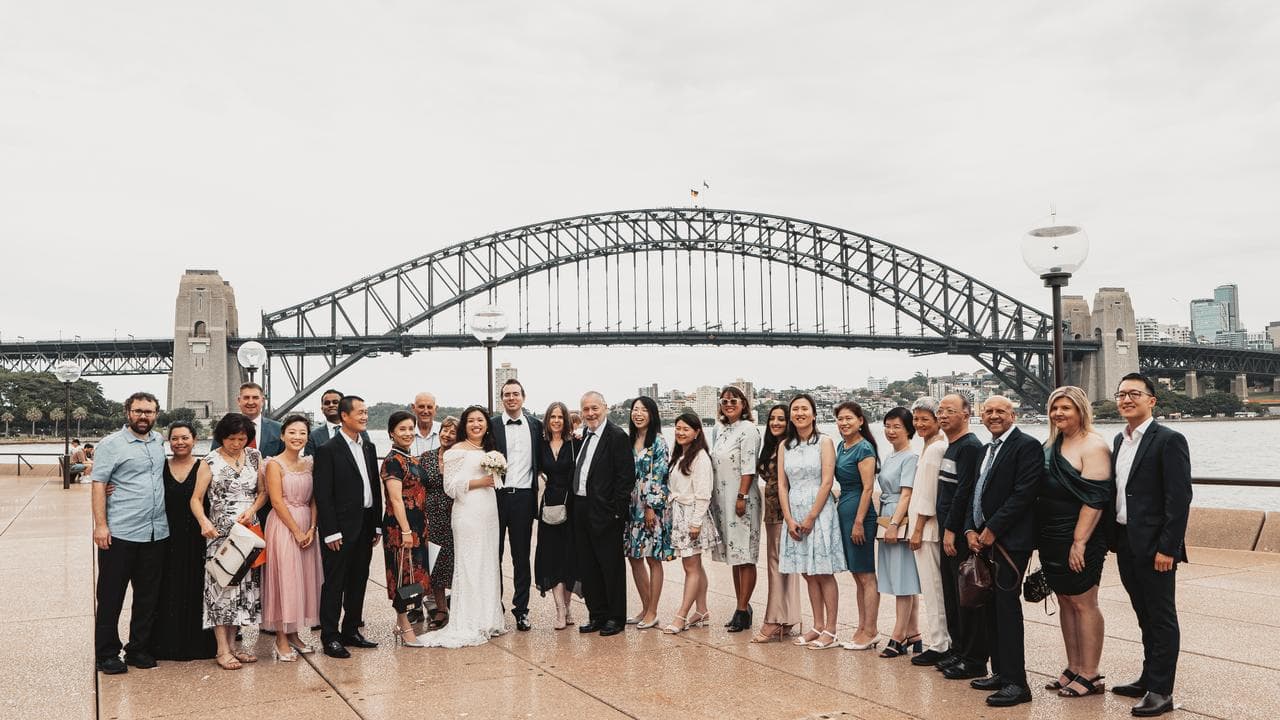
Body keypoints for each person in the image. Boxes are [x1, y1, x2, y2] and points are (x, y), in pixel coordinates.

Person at [1109, 373, 1191, 717]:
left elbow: (1179, 498)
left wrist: (1167, 549)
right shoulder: (1119, 440)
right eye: (1122, 394)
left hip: (1157, 547)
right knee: (1143, 614)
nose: (1127, 399)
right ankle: (1147, 676)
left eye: (1134, 394)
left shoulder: (1169, 439)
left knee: (1161, 617)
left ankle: (1161, 690)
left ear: (1151, 401)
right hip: (1126, 542)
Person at [957, 396, 1043, 707]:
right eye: (989, 411)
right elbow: (973, 494)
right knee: (990, 609)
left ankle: (1017, 683)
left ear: (1013, 414)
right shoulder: (985, 449)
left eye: (1000, 411)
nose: (994, 416)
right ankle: (1000, 672)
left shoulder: (1027, 446)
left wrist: (992, 529)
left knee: (1007, 610)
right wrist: (969, 529)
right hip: (982, 541)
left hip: (1009, 544)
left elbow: (1024, 493)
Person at [1036, 386, 1114, 698]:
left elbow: (1095, 500)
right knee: (1065, 600)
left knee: (1084, 602)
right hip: (1051, 535)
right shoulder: (1052, 442)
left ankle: (1091, 673)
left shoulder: (1093, 445)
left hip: (1080, 536)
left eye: (1066, 408)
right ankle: (1074, 666)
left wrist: (1079, 542)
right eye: (1055, 408)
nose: (1059, 414)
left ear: (1081, 410)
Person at [91, 392, 169, 674]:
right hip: (120, 532)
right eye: (138, 411)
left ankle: (138, 649)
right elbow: (99, 483)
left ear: (156, 414)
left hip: (155, 532)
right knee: (111, 596)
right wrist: (101, 525)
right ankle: (107, 654)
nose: (143, 417)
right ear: (128, 413)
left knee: (147, 596)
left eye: (149, 412)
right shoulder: (111, 444)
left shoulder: (160, 442)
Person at [422, 406, 506, 647]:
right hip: (467, 512)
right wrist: (482, 481)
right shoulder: (456, 450)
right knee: (469, 563)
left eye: (480, 420)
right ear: (464, 425)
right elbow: (450, 486)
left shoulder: (488, 450)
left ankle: (488, 619)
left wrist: (495, 474)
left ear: (487, 424)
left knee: (487, 563)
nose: (476, 424)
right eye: (471, 421)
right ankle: (469, 621)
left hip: (489, 511)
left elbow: (497, 482)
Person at [190, 412, 267, 671]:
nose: (236, 443)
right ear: (222, 437)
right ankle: (222, 649)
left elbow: (263, 492)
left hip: (248, 532)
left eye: (242, 438)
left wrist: (253, 508)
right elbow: (196, 499)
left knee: (243, 591)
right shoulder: (209, 461)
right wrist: (204, 522)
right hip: (220, 535)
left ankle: (234, 645)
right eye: (232, 438)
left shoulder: (255, 457)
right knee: (221, 590)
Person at [313, 395, 383, 659]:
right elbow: (323, 494)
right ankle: (330, 636)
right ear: (344, 416)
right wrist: (330, 531)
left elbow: (374, 487)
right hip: (339, 529)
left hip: (365, 524)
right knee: (335, 582)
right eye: (360, 413)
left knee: (358, 580)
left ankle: (351, 630)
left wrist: (376, 523)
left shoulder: (369, 446)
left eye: (366, 412)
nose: (365, 417)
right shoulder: (328, 450)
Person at [778, 394, 843, 650]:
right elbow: (783, 484)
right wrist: (789, 517)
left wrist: (811, 516)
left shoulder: (825, 442)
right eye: (795, 409)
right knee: (807, 571)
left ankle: (832, 628)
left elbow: (828, 481)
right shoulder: (785, 445)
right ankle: (816, 625)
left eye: (804, 409)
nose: (799, 413)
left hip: (819, 511)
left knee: (823, 572)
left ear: (814, 414)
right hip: (793, 509)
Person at [149, 421, 216, 661]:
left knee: (196, 586)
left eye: (185, 438)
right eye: (175, 438)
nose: (180, 442)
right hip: (166, 536)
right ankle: (165, 644)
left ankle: (198, 645)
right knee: (165, 587)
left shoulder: (204, 466)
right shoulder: (159, 466)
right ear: (169, 441)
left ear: (194, 440)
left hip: (196, 537)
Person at [937, 393, 992, 680]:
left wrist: (950, 529)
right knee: (952, 594)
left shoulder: (969, 447)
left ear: (966, 414)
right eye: (940, 410)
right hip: (947, 529)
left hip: (956, 533)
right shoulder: (952, 446)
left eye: (950, 410)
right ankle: (959, 650)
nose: (943, 415)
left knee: (967, 594)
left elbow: (964, 493)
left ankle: (974, 659)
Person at [260, 414, 322, 660]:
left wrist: (312, 528)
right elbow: (275, 501)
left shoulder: (309, 463)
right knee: (284, 580)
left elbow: (314, 499)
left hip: (307, 524)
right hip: (284, 527)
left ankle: (294, 633)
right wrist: (296, 531)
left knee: (302, 580)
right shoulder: (273, 464)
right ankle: (280, 638)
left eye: (302, 433)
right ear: (283, 435)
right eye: (293, 432)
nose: (297, 437)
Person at [573, 391, 633, 637]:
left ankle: (615, 617)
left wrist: (615, 512)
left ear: (605, 408)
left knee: (611, 567)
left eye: (594, 408)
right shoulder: (584, 435)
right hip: (581, 509)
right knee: (588, 567)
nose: (590, 413)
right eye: (586, 409)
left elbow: (625, 478)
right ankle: (596, 615)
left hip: (606, 512)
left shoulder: (616, 436)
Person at [490, 379, 543, 631]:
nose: (511, 398)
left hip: (523, 498)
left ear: (523, 396)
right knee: (494, 556)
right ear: (502, 399)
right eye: (507, 394)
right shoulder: (490, 426)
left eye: (515, 394)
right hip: (495, 498)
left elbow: (555, 444)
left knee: (521, 558)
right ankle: (495, 608)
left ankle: (521, 610)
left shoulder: (535, 425)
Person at [710, 385, 762, 632]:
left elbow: (748, 466)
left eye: (734, 400)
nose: (728, 404)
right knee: (734, 556)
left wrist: (741, 496)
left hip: (742, 499)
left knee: (745, 555)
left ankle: (743, 610)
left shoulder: (749, 430)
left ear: (743, 404)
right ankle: (741, 606)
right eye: (724, 401)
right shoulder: (719, 429)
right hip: (723, 500)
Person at [663, 411, 720, 634]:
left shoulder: (701, 458)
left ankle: (681, 615)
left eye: (686, 429)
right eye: (678, 428)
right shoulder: (680, 455)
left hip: (692, 516)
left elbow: (704, 494)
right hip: (679, 514)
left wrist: (696, 523)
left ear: (697, 433)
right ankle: (702, 610)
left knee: (691, 567)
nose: (680, 432)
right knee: (695, 565)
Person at [750, 404, 803, 643]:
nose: (776, 423)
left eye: (782, 419)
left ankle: (774, 619)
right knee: (782, 565)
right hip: (772, 513)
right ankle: (788, 618)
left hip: (784, 512)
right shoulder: (773, 446)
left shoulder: (789, 447)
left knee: (778, 565)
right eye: (772, 419)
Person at [381, 411, 431, 648]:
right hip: (401, 527)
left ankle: (402, 621)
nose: (408, 433)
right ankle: (404, 623)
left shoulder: (412, 459)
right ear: (391, 433)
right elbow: (396, 499)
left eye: (411, 428)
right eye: (402, 429)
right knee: (402, 576)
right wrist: (405, 531)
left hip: (418, 524)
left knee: (415, 574)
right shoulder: (393, 461)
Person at [833, 401, 881, 650]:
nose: (844, 423)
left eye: (849, 418)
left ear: (861, 420)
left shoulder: (864, 448)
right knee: (857, 575)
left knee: (866, 574)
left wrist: (859, 522)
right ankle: (862, 626)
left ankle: (871, 630)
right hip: (845, 511)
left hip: (860, 516)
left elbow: (868, 488)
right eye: (840, 419)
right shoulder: (842, 446)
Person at [906, 397, 950, 667]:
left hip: (927, 530)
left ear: (937, 421)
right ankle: (942, 640)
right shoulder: (929, 446)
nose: (919, 424)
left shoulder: (935, 449)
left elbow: (929, 495)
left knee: (933, 588)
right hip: (925, 528)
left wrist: (918, 529)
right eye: (916, 419)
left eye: (925, 419)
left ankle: (939, 643)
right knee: (934, 587)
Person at [875, 407, 921, 658]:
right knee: (899, 577)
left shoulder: (910, 458)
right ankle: (914, 633)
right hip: (887, 514)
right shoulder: (891, 456)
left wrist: (894, 524)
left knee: (903, 580)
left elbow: (907, 493)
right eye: (888, 426)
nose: (891, 431)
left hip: (898, 518)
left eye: (897, 427)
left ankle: (898, 635)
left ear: (908, 430)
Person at [625, 396, 673, 629]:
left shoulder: (659, 442)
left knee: (653, 557)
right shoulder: (630, 439)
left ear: (652, 414)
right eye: (635, 409)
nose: (638, 413)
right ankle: (645, 607)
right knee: (634, 557)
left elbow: (661, 477)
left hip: (651, 507)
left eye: (644, 410)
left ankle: (653, 611)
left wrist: (651, 507)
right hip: (631, 506)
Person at [535, 402, 579, 629]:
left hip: (571, 505)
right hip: (549, 504)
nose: (556, 421)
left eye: (560, 417)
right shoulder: (540, 445)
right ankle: (560, 610)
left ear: (566, 420)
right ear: (547, 419)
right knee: (552, 558)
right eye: (552, 416)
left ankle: (568, 604)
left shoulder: (575, 444)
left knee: (569, 559)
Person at [419, 415, 458, 628]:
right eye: (445, 430)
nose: (447, 435)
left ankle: (461, 606)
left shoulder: (460, 458)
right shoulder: (426, 457)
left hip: (456, 516)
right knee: (436, 565)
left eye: (453, 432)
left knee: (457, 563)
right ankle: (441, 609)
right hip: (432, 516)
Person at [304, 389, 357, 456]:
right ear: (322, 409)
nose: (331, 405)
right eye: (327, 403)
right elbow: (309, 464)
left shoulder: (358, 432)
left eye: (335, 402)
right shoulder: (313, 437)